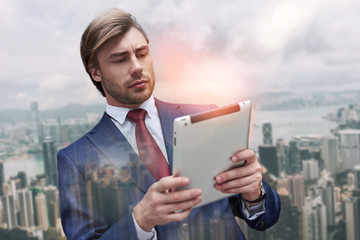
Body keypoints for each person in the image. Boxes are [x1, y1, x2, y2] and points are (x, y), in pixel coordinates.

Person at [57, 8, 280, 240]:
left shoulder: (208, 118)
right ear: (96, 73)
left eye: (142, 53)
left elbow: (266, 217)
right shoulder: (76, 159)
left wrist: (254, 192)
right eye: (121, 59)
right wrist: (140, 220)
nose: (136, 67)